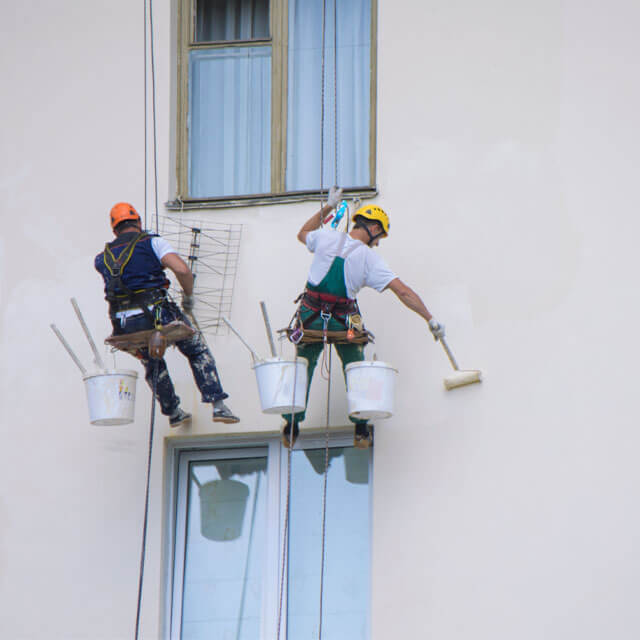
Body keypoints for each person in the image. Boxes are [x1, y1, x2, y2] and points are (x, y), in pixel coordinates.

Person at [282, 187, 444, 448]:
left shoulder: (325, 237)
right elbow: (403, 291)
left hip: (311, 315)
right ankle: (361, 427)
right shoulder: (370, 258)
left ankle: (291, 423)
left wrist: (327, 207)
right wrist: (430, 319)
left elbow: (302, 234)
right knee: (356, 364)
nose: (378, 242)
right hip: (344, 319)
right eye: (380, 236)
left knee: (303, 364)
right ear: (374, 228)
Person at [94, 202, 239, 427]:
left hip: (123, 324)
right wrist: (188, 295)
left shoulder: (101, 258)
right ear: (139, 222)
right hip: (157, 314)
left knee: (152, 361)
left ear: (114, 230)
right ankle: (218, 404)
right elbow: (182, 269)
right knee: (196, 348)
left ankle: (173, 412)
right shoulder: (152, 242)